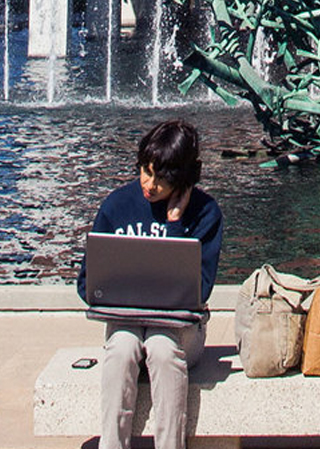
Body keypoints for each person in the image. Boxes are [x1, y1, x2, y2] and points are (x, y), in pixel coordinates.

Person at [77, 119, 223, 449]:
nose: (150, 183)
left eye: (162, 177)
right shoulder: (117, 205)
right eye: (146, 170)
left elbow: (199, 291)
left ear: (184, 179)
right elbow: (87, 283)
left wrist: (175, 224)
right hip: (127, 324)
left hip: (181, 331)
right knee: (121, 347)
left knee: (161, 346)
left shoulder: (205, 213)